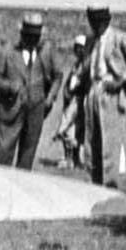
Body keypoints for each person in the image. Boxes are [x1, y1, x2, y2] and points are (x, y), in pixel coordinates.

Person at [79, 6, 126, 185]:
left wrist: (123, 80)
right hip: (93, 92)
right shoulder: (90, 41)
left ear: (107, 20)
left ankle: (109, 185)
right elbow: (85, 67)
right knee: (91, 144)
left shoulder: (120, 38)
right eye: (92, 20)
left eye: (99, 20)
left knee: (108, 144)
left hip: (110, 95)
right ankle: (94, 185)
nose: (96, 24)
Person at [0, 13, 62, 170]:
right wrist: (10, 86)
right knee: (3, 155)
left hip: (35, 112)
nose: (33, 40)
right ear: (22, 33)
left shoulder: (46, 51)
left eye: (36, 36)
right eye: (29, 35)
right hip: (10, 111)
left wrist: (50, 97)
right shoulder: (7, 51)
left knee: (27, 158)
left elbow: (58, 75)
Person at [53, 35, 88, 169]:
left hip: (78, 102)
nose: (79, 50)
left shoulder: (86, 66)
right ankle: (70, 159)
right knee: (69, 130)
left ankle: (75, 159)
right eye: (77, 48)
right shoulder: (76, 64)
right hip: (71, 102)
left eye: (81, 48)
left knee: (73, 131)